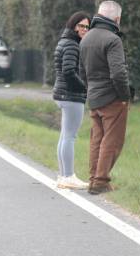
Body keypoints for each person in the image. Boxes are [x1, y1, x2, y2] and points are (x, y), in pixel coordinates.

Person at [79, 0, 132, 195]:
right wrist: (124, 95)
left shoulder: (86, 38)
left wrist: (89, 91)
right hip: (112, 98)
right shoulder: (113, 39)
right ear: (117, 19)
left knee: (97, 139)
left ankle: (94, 179)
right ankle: (101, 181)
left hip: (94, 96)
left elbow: (81, 72)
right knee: (112, 140)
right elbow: (118, 73)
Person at [52, 11, 92, 190]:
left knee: (64, 135)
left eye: (87, 26)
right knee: (70, 136)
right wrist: (84, 87)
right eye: (81, 26)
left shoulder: (64, 41)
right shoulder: (72, 45)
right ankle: (68, 176)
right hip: (71, 96)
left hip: (62, 94)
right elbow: (69, 71)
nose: (84, 29)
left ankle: (63, 175)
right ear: (73, 25)